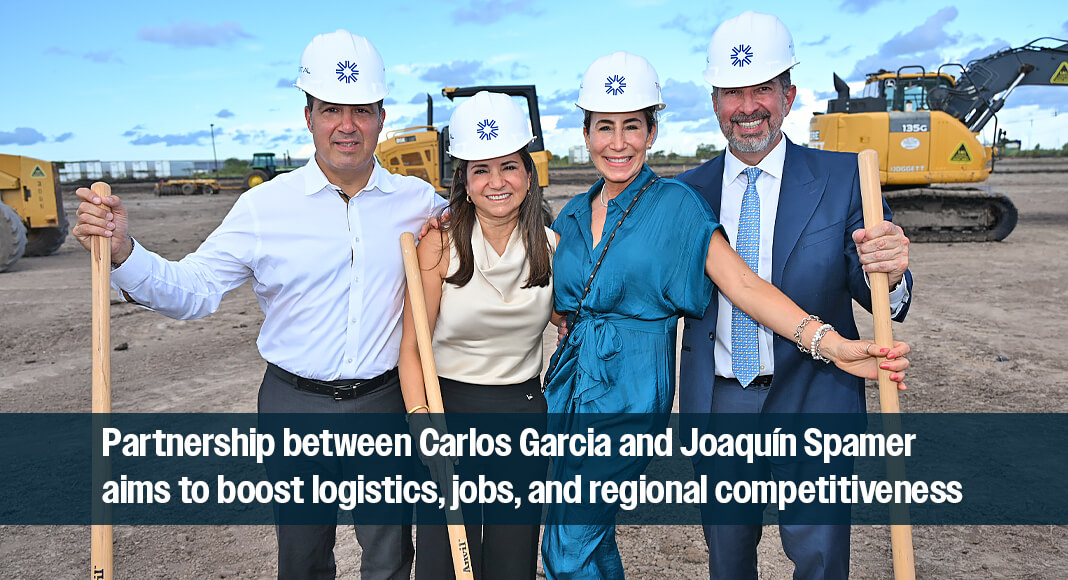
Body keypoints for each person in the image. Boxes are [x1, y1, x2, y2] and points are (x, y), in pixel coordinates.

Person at [72, 30, 446, 580]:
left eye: (361, 111)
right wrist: (125, 251)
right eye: (331, 110)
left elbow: (482, 245)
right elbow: (195, 288)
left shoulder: (420, 202)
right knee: (302, 558)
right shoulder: (263, 207)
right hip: (294, 406)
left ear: (381, 119)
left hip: (385, 403)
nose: (347, 125)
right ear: (308, 117)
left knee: (389, 557)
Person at [540, 51, 911, 579]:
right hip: (637, 396)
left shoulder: (679, 202)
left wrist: (837, 339)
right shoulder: (587, 211)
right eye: (604, 127)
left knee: (572, 541)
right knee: (710, 556)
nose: (618, 142)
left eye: (632, 126)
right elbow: (552, 295)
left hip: (799, 393)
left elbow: (744, 285)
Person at [676, 11, 914, 580]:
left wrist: (890, 269)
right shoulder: (684, 193)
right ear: (714, 102)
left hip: (816, 397)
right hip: (721, 406)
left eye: (762, 89)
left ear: (789, 95)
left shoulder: (845, 179)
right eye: (733, 92)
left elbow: (876, 290)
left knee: (820, 561)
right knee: (728, 561)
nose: (747, 107)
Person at [398, 91, 558, 580]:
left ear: (528, 174)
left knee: (512, 562)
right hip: (447, 412)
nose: (497, 182)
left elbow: (573, 320)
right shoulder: (438, 243)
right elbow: (411, 350)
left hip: (522, 414)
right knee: (444, 562)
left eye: (509, 167)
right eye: (481, 170)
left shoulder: (553, 247)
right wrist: (422, 423)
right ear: (464, 183)